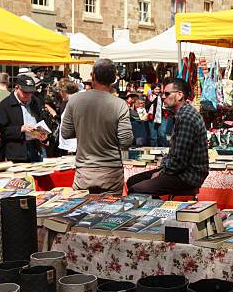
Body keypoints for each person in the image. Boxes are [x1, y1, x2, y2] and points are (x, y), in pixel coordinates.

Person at [62, 59, 133, 194]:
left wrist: (85, 130)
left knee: (80, 212)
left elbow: (66, 132)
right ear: (113, 79)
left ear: (93, 76)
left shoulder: (75, 100)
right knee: (111, 213)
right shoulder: (119, 104)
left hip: (84, 172)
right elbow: (126, 141)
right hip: (110, 172)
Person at [127, 78, 208, 196]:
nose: (163, 97)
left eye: (167, 94)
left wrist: (161, 173)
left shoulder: (186, 117)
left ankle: (155, 213)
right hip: (181, 171)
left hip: (188, 176)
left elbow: (180, 159)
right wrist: (163, 169)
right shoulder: (182, 114)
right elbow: (175, 156)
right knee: (132, 181)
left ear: (180, 95)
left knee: (136, 189)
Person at [0, 75, 48, 162]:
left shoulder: (35, 101)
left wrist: (43, 133)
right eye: (25, 92)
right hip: (16, 151)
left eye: (31, 92)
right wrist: (21, 129)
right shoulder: (5, 105)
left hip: (36, 147)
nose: (28, 95)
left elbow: (42, 119)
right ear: (17, 88)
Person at [57, 81, 79, 154]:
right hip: (69, 145)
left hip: (72, 146)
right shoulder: (69, 102)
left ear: (63, 91)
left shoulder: (74, 102)